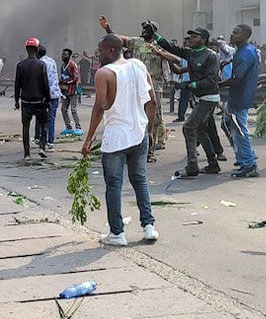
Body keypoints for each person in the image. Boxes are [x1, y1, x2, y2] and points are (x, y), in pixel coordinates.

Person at [82, 35, 157, 246]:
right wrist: (149, 130)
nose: (99, 54)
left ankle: (117, 233)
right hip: (139, 134)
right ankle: (149, 226)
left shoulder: (104, 73)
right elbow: (152, 102)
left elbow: (99, 107)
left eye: (101, 50)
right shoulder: (138, 66)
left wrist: (88, 140)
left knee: (114, 186)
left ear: (112, 50)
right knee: (139, 180)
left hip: (116, 138)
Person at [153, 27, 221, 177]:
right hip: (200, 98)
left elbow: (211, 80)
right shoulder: (191, 53)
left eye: (195, 37)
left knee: (188, 128)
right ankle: (212, 164)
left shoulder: (211, 56)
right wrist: (155, 35)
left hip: (208, 98)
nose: (190, 39)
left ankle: (192, 166)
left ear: (203, 40)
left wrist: (190, 85)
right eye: (190, 36)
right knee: (200, 130)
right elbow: (171, 48)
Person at [99, 17, 168, 163]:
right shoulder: (136, 42)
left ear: (154, 31)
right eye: (143, 28)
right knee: (134, 115)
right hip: (135, 84)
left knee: (154, 118)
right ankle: (133, 148)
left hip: (155, 85)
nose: (143, 30)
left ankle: (150, 150)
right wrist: (107, 28)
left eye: (147, 28)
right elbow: (118, 40)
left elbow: (172, 60)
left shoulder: (160, 46)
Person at [219, 24, 260, 178]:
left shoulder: (245, 53)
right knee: (227, 124)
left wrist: (219, 84)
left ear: (245, 36)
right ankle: (244, 155)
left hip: (241, 96)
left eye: (236, 33)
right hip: (238, 95)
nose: (232, 34)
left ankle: (249, 164)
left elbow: (237, 78)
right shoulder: (242, 51)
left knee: (239, 130)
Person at [15, 38, 51, 161]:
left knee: (25, 127)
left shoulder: (20, 65)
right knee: (44, 123)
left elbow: (17, 84)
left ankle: (27, 154)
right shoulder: (41, 65)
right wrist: (48, 99)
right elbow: (45, 84)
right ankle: (42, 147)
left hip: (25, 102)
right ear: (37, 49)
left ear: (27, 49)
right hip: (39, 101)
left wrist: (16, 100)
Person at [37, 46, 62, 151]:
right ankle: (50, 142)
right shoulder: (51, 61)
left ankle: (40, 139)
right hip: (55, 94)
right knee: (51, 119)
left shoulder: (39, 63)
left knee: (41, 118)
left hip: (44, 95)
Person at [59, 48, 84, 136]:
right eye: (62, 54)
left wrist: (64, 81)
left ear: (69, 56)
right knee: (63, 109)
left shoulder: (73, 65)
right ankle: (68, 127)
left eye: (64, 54)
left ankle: (78, 127)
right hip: (65, 91)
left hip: (73, 90)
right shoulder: (62, 66)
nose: (62, 56)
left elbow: (75, 78)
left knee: (73, 110)